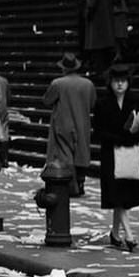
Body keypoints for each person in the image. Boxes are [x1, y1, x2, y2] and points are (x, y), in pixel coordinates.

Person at [93, 64, 139, 250]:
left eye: (123, 81)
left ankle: (115, 233)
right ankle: (129, 235)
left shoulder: (137, 101)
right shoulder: (102, 103)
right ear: (110, 83)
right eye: (116, 81)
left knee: (124, 194)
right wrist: (117, 138)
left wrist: (135, 134)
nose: (119, 84)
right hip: (111, 153)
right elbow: (98, 130)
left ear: (128, 83)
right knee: (118, 195)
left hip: (131, 153)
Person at [42, 53, 97, 196]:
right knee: (81, 153)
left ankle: (72, 185)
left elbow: (47, 100)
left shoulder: (57, 83)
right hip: (83, 122)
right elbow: (92, 103)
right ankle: (80, 181)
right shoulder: (88, 84)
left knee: (65, 154)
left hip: (63, 122)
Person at [83, 0, 118, 76]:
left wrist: (86, 16)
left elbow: (91, 5)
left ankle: (99, 73)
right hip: (108, 24)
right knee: (107, 56)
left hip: (96, 25)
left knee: (98, 55)